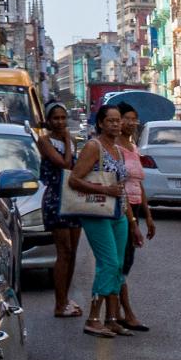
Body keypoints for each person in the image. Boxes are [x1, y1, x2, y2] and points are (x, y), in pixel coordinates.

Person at [69, 103, 133, 339]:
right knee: (107, 262)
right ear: (100, 123)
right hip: (96, 212)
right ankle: (93, 318)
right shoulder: (93, 147)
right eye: (111, 121)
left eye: (119, 120)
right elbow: (74, 180)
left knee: (117, 264)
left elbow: (122, 187)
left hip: (118, 212)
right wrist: (105, 190)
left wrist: (131, 220)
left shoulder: (117, 149)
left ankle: (112, 318)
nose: (116, 124)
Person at [35, 102, 82, 318]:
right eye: (56, 118)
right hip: (56, 198)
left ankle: (66, 298)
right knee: (63, 252)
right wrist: (67, 141)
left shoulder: (69, 140)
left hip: (73, 198)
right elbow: (64, 165)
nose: (61, 122)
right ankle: (59, 303)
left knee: (72, 253)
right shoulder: (44, 141)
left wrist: (69, 141)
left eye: (63, 117)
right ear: (48, 120)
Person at [116, 103, 154, 332]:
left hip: (136, 207)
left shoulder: (132, 147)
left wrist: (148, 216)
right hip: (122, 209)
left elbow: (138, 184)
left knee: (126, 262)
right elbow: (121, 188)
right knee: (121, 262)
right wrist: (132, 223)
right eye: (126, 119)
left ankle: (118, 312)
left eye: (134, 118)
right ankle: (124, 313)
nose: (131, 123)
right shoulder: (115, 149)